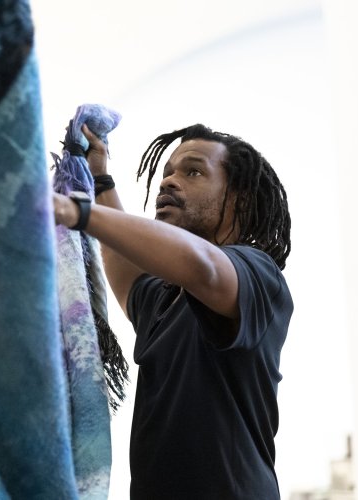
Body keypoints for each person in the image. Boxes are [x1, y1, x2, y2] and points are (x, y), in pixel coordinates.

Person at [53, 123, 293, 499]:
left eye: (193, 171)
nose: (169, 182)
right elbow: (123, 261)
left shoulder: (259, 275)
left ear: (239, 199)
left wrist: (75, 211)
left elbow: (204, 266)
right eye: (167, 172)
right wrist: (100, 180)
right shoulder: (164, 301)